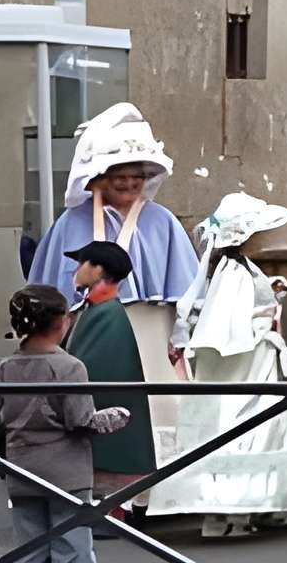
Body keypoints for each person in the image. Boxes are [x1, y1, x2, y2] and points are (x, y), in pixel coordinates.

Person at [30, 105, 197, 462]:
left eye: (137, 174)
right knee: (86, 410)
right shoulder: (69, 223)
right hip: (85, 336)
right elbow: (48, 291)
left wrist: (181, 340)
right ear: (100, 175)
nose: (128, 182)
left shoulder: (162, 222)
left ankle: (155, 495)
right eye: (119, 173)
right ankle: (88, 490)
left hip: (149, 337)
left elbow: (187, 292)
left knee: (158, 412)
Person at [147, 194, 287, 536]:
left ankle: (261, 505)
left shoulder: (237, 268)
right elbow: (227, 325)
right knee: (248, 433)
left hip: (255, 365)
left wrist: (269, 291)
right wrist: (265, 316)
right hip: (247, 366)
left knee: (266, 432)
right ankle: (231, 511)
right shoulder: (232, 271)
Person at [3, 285, 133, 563]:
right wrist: (113, 417)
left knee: (30, 554)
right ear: (61, 323)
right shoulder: (69, 366)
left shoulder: (5, 368)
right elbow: (80, 419)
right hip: (66, 474)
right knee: (73, 551)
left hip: (21, 470)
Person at [56, 242, 156, 513]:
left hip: (107, 419)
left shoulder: (106, 313)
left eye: (82, 263)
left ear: (98, 269)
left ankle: (113, 511)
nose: (76, 270)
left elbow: (92, 367)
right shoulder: (95, 309)